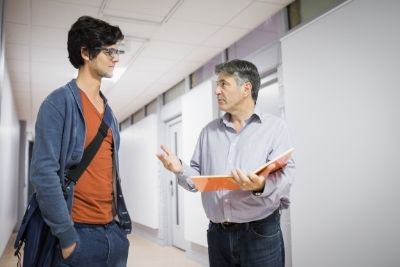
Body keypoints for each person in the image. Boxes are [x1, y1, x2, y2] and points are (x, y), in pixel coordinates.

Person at [157, 59, 295, 267]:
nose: (217, 91)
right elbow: (197, 179)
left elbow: (286, 175)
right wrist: (179, 170)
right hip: (217, 234)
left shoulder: (275, 128)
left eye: (224, 84)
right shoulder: (209, 132)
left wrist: (260, 186)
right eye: (217, 85)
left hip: (259, 233)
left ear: (246, 88)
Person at [30, 16, 130, 266]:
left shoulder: (110, 114)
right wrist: (67, 238)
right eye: (109, 50)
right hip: (78, 235)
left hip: (113, 233)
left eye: (117, 50)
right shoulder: (58, 103)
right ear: (85, 52)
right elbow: (44, 174)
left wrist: (120, 232)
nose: (116, 57)